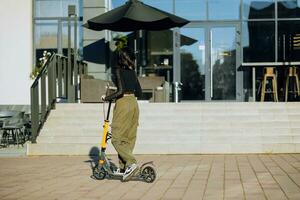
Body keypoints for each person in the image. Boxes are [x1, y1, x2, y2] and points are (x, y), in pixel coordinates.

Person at [102, 46, 142, 181]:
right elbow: (139, 91)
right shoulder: (133, 72)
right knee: (129, 137)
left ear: (120, 58)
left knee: (117, 138)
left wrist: (106, 98)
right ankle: (124, 168)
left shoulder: (118, 71)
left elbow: (120, 92)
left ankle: (131, 162)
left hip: (123, 103)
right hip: (134, 103)